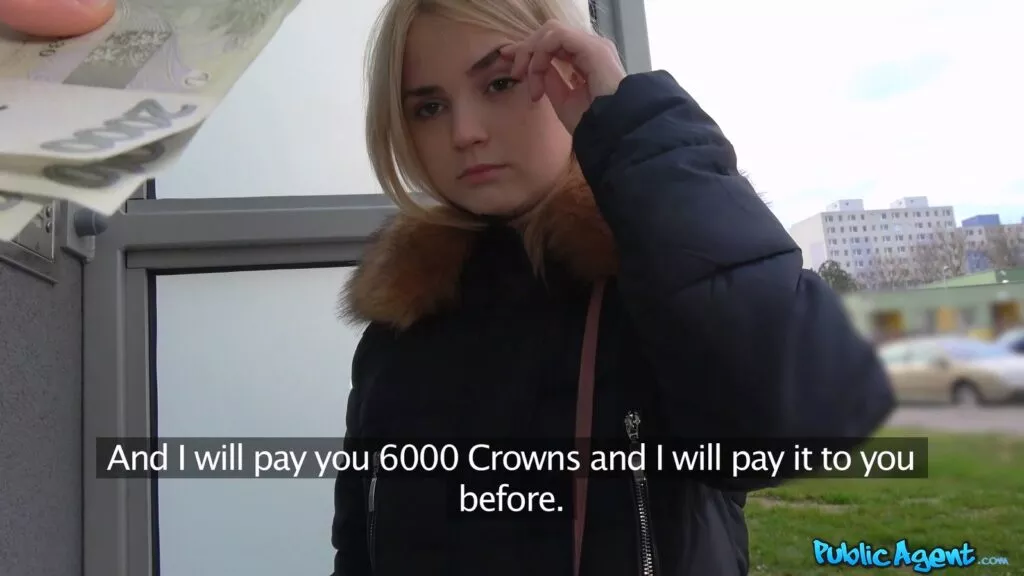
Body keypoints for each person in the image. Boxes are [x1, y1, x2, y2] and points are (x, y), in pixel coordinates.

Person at [4, 1, 895, 575]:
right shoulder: (403, 322)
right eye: (428, 105)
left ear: (568, 81)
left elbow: (799, 420)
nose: (464, 130)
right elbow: (361, 541)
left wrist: (636, 127)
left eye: (500, 84)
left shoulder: (652, 279)